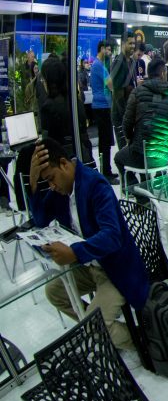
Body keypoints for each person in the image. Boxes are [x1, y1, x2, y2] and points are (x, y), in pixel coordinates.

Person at [28, 137, 150, 351]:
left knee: (93, 327)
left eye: (51, 179)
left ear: (64, 164)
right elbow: (41, 221)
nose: (52, 186)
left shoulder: (95, 185)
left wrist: (74, 252)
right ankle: (100, 326)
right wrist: (33, 185)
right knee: (54, 292)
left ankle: (143, 343)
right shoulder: (62, 190)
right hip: (90, 266)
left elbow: (112, 236)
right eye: (47, 182)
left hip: (116, 269)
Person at [115, 58, 168, 177]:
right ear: (163, 73)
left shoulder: (137, 92)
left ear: (148, 73)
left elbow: (127, 123)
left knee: (118, 158)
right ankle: (157, 181)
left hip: (143, 155)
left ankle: (135, 187)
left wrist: (130, 140)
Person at [39, 55, 90, 160]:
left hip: (62, 161)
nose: (42, 82)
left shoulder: (48, 107)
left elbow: (49, 144)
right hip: (84, 156)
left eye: (43, 79)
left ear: (49, 80)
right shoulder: (75, 101)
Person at [89, 40, 117, 180]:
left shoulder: (99, 65)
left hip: (103, 106)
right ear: (101, 49)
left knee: (105, 140)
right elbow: (111, 85)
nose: (110, 53)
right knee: (105, 141)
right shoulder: (98, 65)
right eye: (108, 50)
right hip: (102, 107)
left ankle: (107, 170)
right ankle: (106, 172)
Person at [107, 33, 137, 149]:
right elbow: (117, 94)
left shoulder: (131, 61)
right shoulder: (119, 62)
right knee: (125, 149)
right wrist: (126, 116)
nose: (133, 46)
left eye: (134, 43)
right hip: (121, 115)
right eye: (130, 43)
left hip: (129, 113)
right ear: (123, 44)